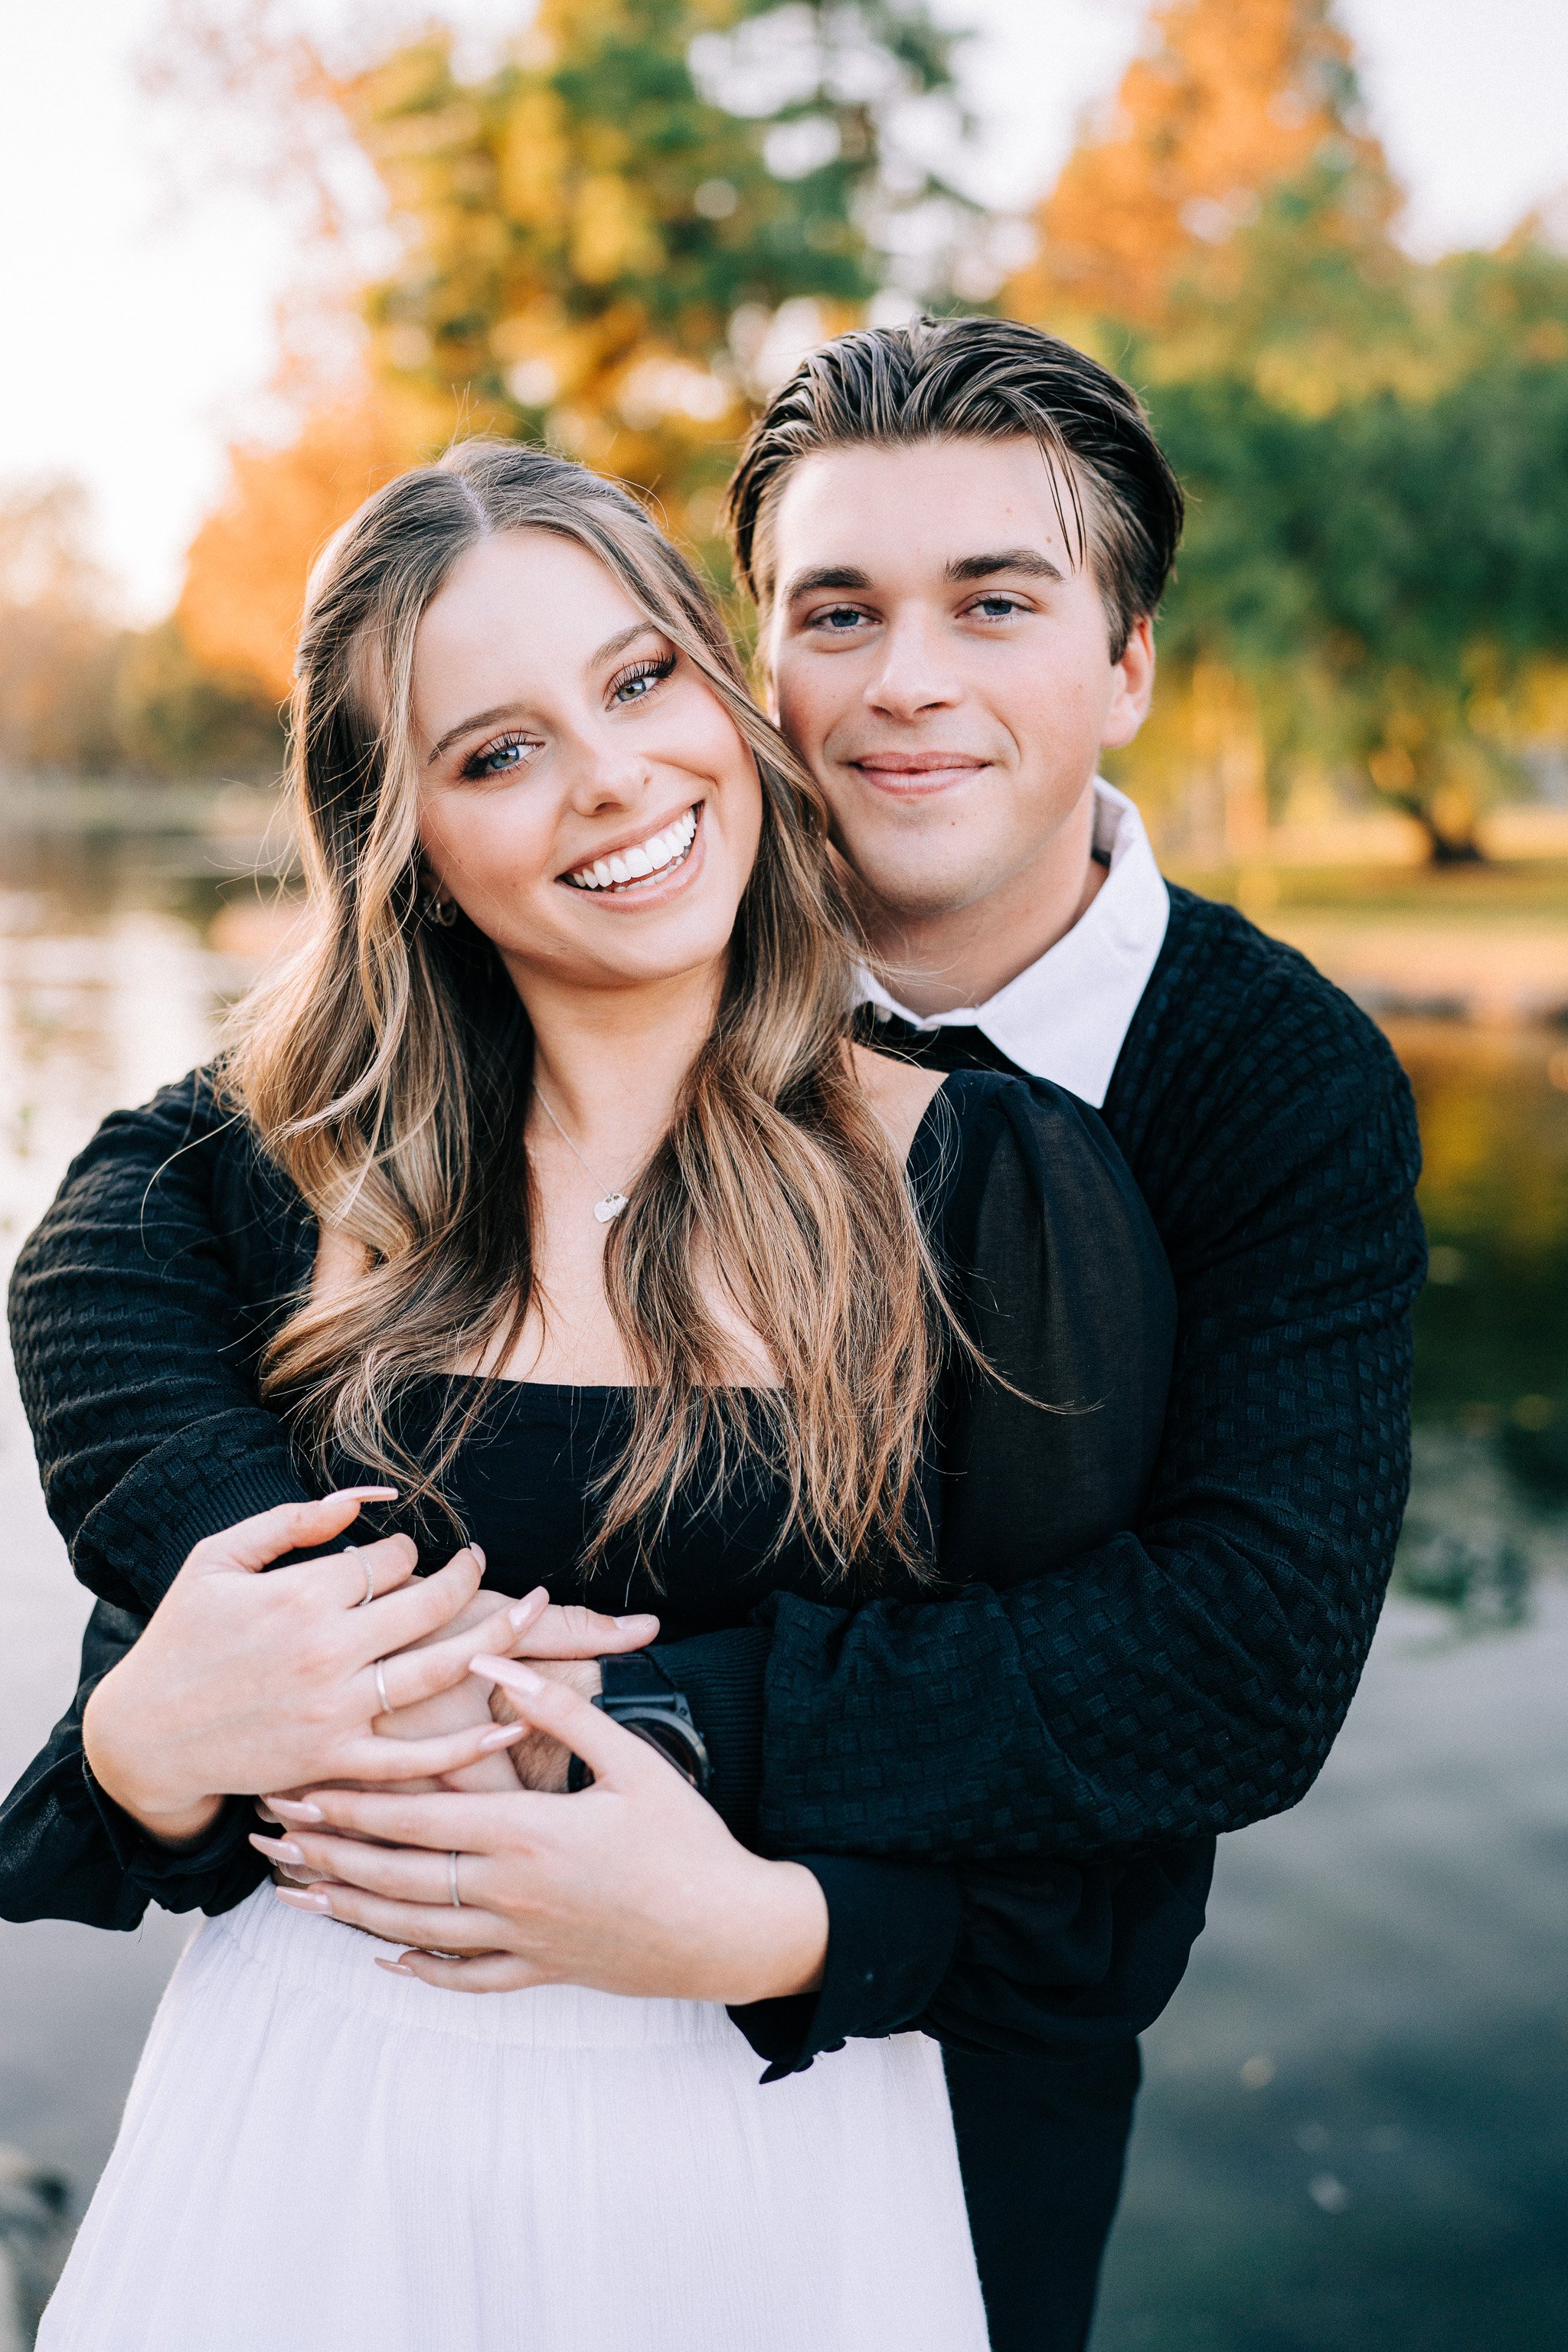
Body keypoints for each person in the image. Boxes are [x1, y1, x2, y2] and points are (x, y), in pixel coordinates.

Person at [5, 318, 1426, 2350]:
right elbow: (122, 1232)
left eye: (994, 603)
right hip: (329, 2130)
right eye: (836, 612)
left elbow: (1230, 1664)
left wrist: (633, 1732)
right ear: (756, 663)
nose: (907, 679)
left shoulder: (1226, 1094)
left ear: (1127, 663)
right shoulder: (588, 939)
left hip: (902, 2080)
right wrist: (292, 1642)